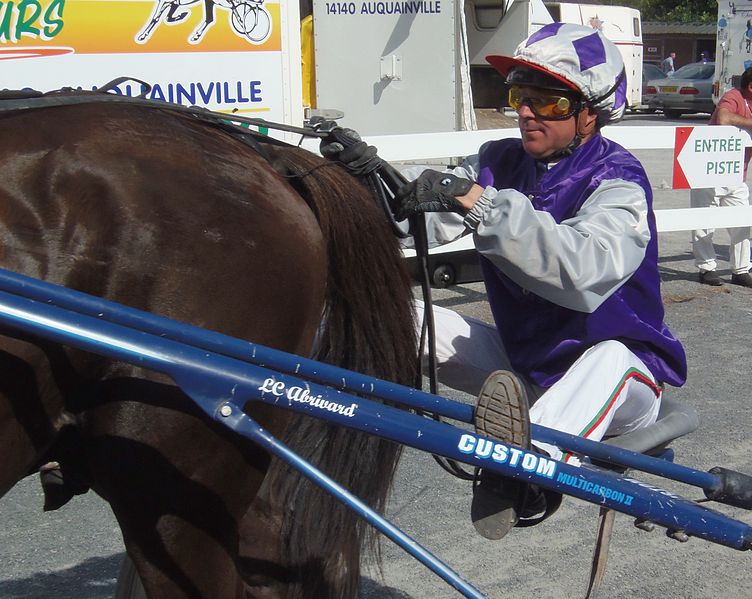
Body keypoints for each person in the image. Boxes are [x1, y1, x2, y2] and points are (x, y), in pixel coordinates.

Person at [320, 23, 687, 540]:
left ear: (591, 112)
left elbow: (582, 273)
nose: (526, 112)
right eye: (519, 95)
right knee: (407, 315)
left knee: (609, 359)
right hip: (527, 372)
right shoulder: (499, 161)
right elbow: (423, 215)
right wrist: (364, 184)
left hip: (624, 384)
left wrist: (479, 203)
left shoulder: (617, 181)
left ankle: (523, 473)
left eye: (549, 102)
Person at [690, 67, 752, 288]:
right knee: (704, 221)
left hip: (736, 173)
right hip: (709, 170)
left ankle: (741, 269)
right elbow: (724, 118)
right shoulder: (733, 96)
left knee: (743, 221)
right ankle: (706, 268)